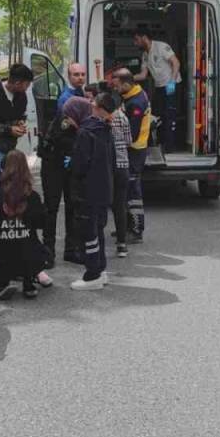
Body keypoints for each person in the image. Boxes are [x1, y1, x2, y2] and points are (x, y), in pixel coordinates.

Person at [0, 150, 51, 300]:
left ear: (1, 171)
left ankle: (1, 282)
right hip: (28, 256)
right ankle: (29, 279)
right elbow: (42, 223)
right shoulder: (33, 197)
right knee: (30, 244)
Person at [69, 92, 117, 291]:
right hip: (104, 189)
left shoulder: (86, 132)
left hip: (87, 190)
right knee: (99, 230)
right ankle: (100, 268)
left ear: (97, 108)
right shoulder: (106, 130)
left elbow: (79, 165)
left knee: (89, 233)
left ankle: (92, 274)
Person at [40, 63, 86, 268]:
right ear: (69, 76)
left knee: (73, 205)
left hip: (69, 160)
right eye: (76, 74)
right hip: (54, 161)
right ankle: (48, 252)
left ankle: (71, 250)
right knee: (51, 208)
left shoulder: (81, 95)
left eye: (82, 74)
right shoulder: (66, 100)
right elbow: (63, 133)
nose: (80, 77)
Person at [113, 68, 151, 242]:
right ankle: (126, 226)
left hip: (135, 150)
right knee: (127, 190)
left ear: (127, 84)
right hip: (134, 150)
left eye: (117, 86)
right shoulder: (132, 95)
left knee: (133, 191)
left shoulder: (136, 103)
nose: (115, 89)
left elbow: (132, 135)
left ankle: (136, 230)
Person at [132, 31, 181, 151]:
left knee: (170, 114)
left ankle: (170, 146)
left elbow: (176, 63)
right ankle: (160, 144)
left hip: (171, 85)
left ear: (144, 37)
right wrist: (127, 78)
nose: (135, 43)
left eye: (137, 40)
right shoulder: (145, 55)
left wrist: (172, 82)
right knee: (158, 115)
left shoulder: (161, 46)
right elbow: (143, 75)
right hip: (159, 87)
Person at [108, 92, 131, 259]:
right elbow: (129, 141)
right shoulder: (123, 118)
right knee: (120, 205)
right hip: (122, 165)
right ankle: (122, 244)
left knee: (103, 203)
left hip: (107, 166)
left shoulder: (104, 119)